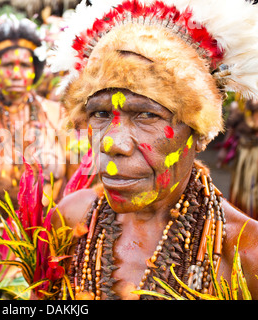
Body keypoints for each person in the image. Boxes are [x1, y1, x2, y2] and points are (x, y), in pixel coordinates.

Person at [49, 0, 258, 300]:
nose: (111, 143)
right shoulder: (69, 221)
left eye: (146, 115)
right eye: (101, 114)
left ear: (199, 132)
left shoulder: (246, 253)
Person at [0, 16, 68, 211]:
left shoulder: (58, 114)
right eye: (7, 65)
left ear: (35, 70)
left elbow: (76, 184)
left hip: (56, 232)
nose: (16, 73)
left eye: (24, 65)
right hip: (0, 232)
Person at [217, 97, 258, 220]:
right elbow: (232, 129)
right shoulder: (239, 104)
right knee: (241, 189)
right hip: (244, 153)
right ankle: (241, 220)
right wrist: (224, 150)